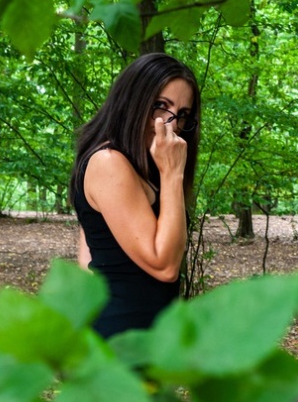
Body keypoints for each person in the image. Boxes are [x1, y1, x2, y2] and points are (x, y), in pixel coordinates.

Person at [69, 53, 201, 339]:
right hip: (120, 335)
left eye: (182, 114)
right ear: (133, 100)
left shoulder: (142, 165)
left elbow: (89, 246)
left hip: (147, 338)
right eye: (160, 106)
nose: (171, 124)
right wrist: (172, 174)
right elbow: (165, 267)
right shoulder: (109, 162)